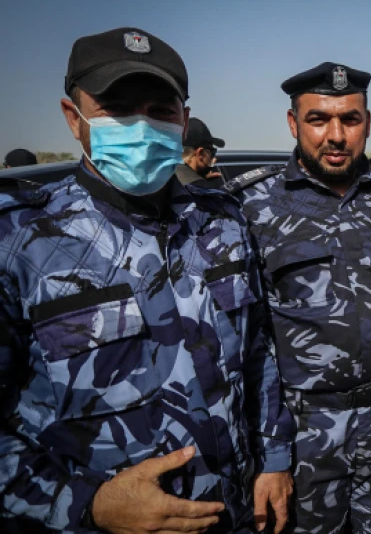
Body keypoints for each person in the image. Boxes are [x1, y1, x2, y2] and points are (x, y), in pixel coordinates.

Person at [0, 27, 293, 533]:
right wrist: (86, 505)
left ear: (183, 119)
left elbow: (257, 351)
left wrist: (274, 456)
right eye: (118, 109)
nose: (141, 126)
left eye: (160, 110)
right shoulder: (20, 241)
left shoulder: (221, 219)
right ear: (75, 118)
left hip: (236, 514)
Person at [226, 61, 371, 533]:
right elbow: (246, 342)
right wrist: (269, 453)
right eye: (318, 119)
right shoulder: (250, 207)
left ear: (367, 124)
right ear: (294, 123)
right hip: (303, 437)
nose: (335, 135)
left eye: (350, 119)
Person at [177, 117, 225, 188]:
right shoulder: (202, 193)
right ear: (200, 153)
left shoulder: (161, 181)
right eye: (212, 152)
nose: (214, 159)